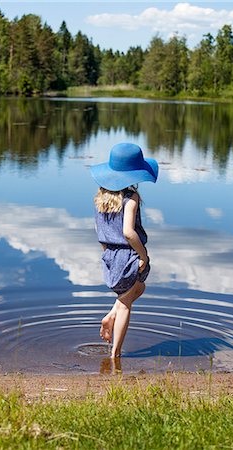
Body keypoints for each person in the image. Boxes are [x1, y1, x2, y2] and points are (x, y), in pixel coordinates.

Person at [90, 142, 159, 358]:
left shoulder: (100, 198)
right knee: (127, 305)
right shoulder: (131, 198)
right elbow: (129, 232)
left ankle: (111, 315)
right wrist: (143, 256)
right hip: (129, 255)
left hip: (109, 256)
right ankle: (115, 355)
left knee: (139, 288)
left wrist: (107, 254)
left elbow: (99, 230)